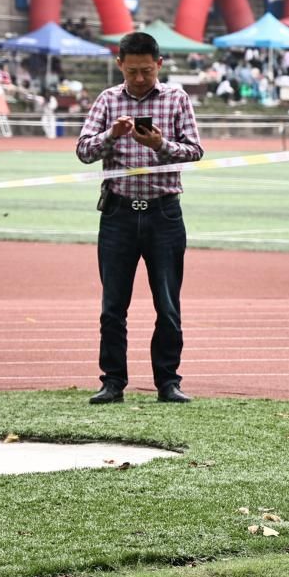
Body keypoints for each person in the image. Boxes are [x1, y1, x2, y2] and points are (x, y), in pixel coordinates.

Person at [76, 31, 204, 405]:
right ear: (120, 65)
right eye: (132, 71)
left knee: (168, 304)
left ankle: (168, 382)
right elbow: (83, 151)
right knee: (113, 306)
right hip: (118, 213)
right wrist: (111, 136)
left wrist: (159, 145)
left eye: (146, 70)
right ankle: (112, 382)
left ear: (159, 64)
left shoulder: (177, 98)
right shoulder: (108, 100)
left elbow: (195, 151)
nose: (139, 78)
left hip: (164, 212)